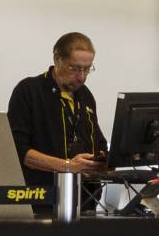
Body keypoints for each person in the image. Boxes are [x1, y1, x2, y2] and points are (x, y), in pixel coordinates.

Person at [8, 33, 108, 198]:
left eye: (87, 69)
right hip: (42, 200)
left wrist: (101, 161)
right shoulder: (29, 91)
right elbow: (17, 151)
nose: (81, 77)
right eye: (74, 68)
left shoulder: (86, 96)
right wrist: (67, 166)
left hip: (85, 202)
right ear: (57, 59)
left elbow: (99, 143)